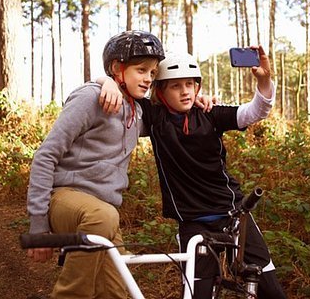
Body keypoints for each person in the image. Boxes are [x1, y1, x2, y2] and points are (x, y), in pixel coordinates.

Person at [99, 46, 287, 298]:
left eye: (190, 84)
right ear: (161, 91)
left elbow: (255, 111)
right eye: (176, 86)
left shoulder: (210, 114)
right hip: (192, 223)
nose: (185, 91)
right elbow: (122, 97)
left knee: (271, 290)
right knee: (197, 293)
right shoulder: (154, 117)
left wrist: (264, 79)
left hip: (233, 214)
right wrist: (106, 82)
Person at [25, 30, 165, 299]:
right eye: (141, 70)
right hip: (66, 199)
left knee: (118, 292)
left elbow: (172, 106)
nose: (148, 78)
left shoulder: (137, 111)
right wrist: (38, 227)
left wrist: (200, 100)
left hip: (103, 215)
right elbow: (45, 156)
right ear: (117, 68)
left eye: (153, 72)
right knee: (103, 215)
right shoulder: (91, 98)